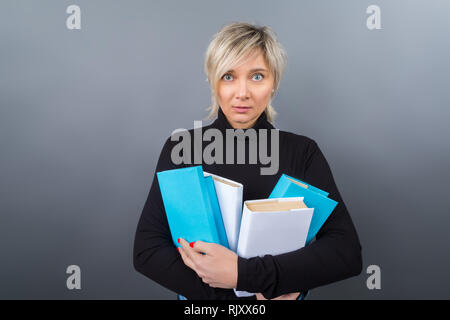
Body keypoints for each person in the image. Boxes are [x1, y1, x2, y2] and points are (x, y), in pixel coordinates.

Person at [133, 22, 362, 300]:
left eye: (257, 77)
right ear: (213, 80)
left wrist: (248, 275)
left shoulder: (302, 152)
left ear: (274, 82)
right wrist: (246, 300)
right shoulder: (182, 149)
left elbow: (345, 252)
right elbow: (147, 250)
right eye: (229, 76)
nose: (242, 92)